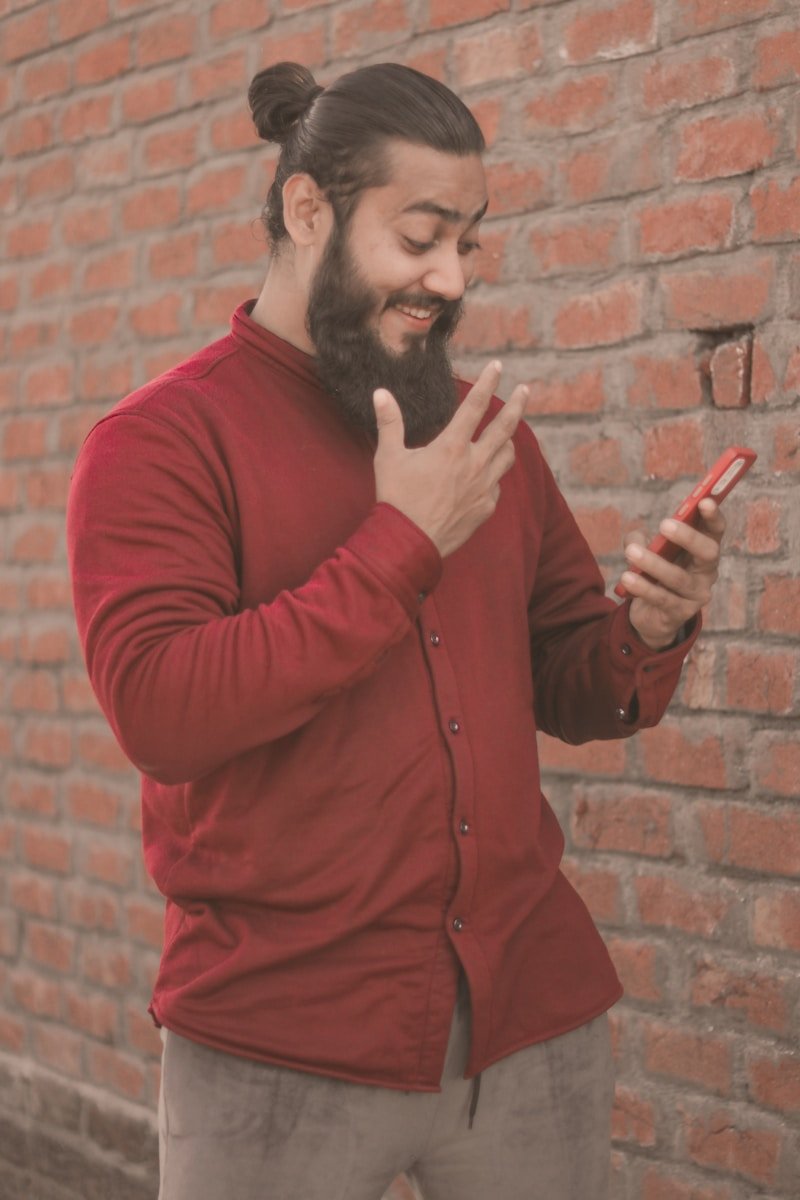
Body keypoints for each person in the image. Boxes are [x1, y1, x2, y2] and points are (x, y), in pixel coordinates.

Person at [67, 62, 724, 1200]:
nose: (449, 276)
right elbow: (164, 714)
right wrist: (398, 544)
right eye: (421, 235)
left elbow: (569, 678)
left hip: (528, 1033)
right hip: (280, 1048)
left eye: (468, 241)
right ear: (307, 209)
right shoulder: (160, 443)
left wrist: (647, 631)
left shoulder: (481, 437)